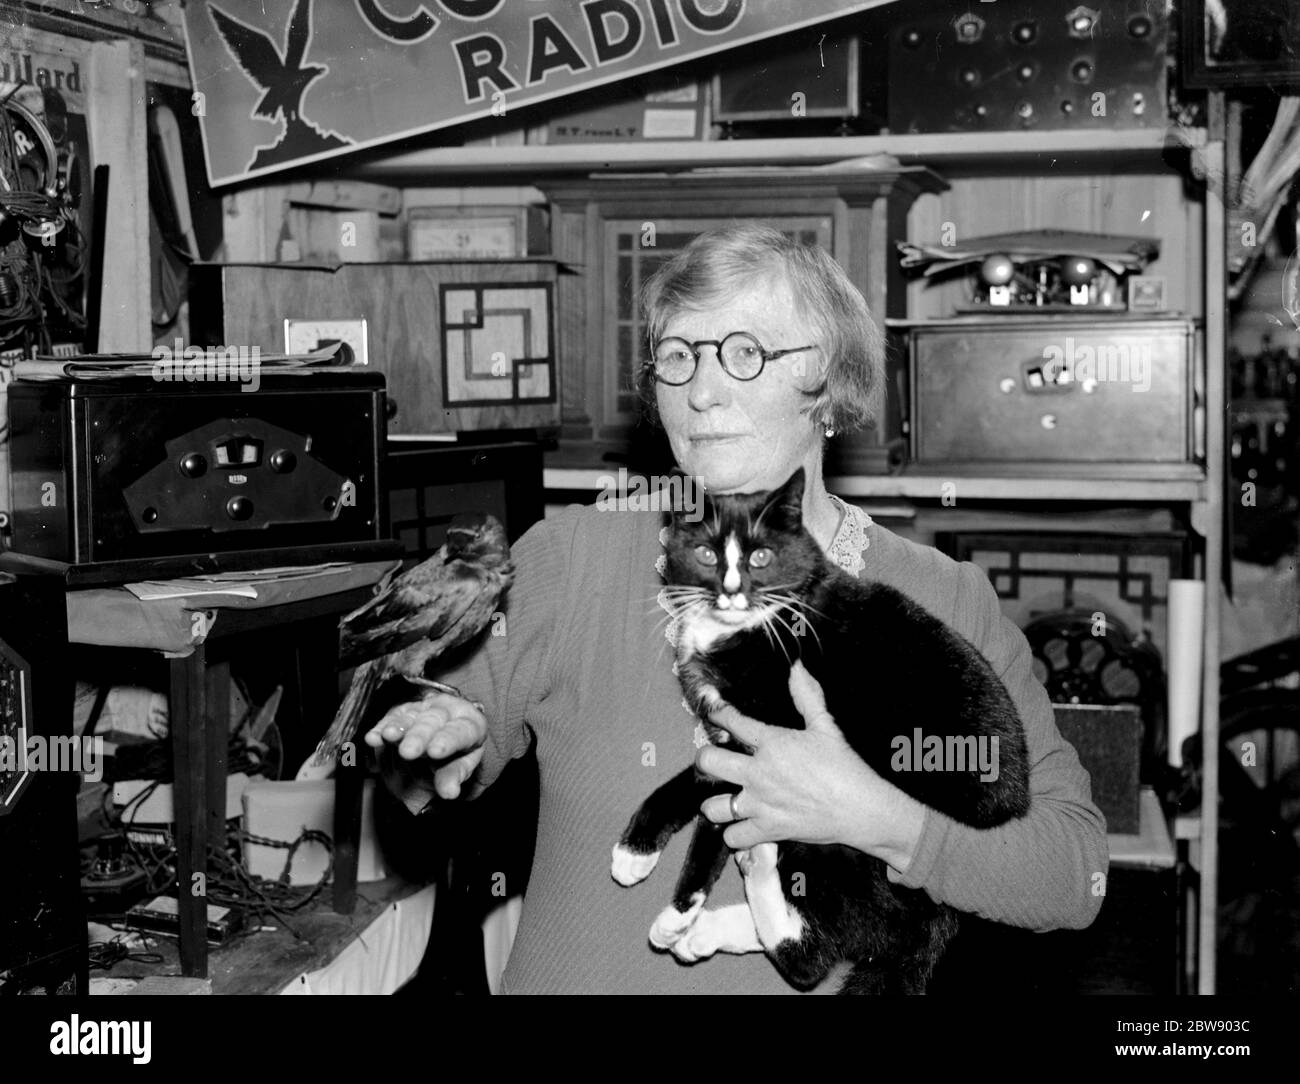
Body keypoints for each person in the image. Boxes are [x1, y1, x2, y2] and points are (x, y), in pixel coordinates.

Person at [368, 223, 1108, 994]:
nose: (700, 390)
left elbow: (1072, 876)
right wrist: (427, 742)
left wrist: (875, 816)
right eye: (679, 357)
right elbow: (431, 750)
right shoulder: (571, 557)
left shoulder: (941, 597)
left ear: (829, 380)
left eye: (745, 352)